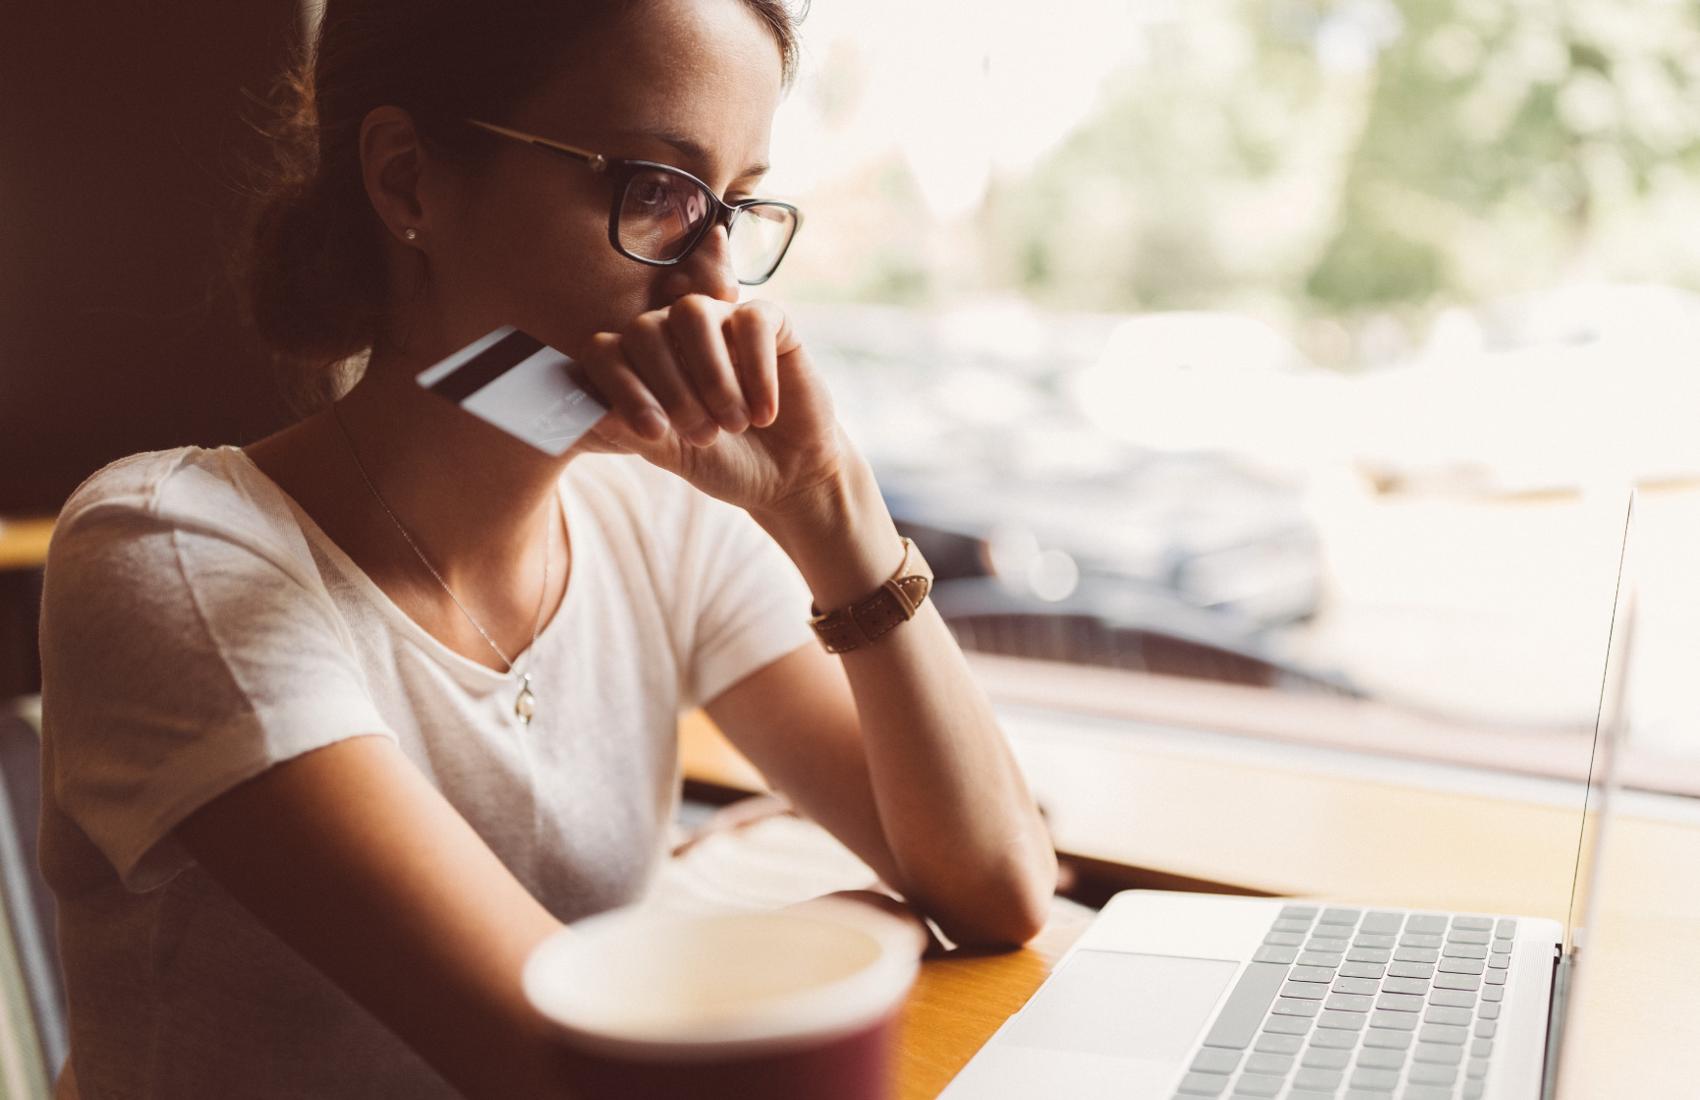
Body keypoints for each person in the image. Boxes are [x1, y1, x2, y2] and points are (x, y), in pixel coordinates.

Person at [35, 0, 1058, 1096]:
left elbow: (996, 885)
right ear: (408, 182)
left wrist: (826, 503)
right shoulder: (176, 557)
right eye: (651, 191)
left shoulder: (657, 519)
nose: (713, 288)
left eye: (735, 206)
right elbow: (573, 1066)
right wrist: (843, 934)